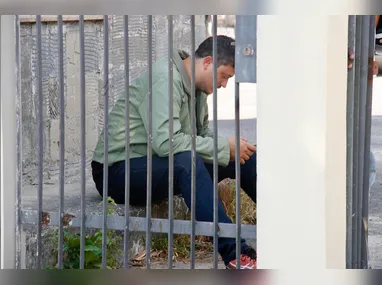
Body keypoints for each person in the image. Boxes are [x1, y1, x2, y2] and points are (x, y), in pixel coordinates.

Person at [91, 35, 258, 270]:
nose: (223, 85)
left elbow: (201, 135)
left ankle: (283, 227)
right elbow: (166, 142)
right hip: (118, 171)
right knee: (186, 162)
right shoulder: (165, 78)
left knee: (245, 156)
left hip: (157, 162)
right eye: (224, 77)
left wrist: (232, 147)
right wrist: (222, 147)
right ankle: (234, 253)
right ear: (208, 63)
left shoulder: (197, 87)